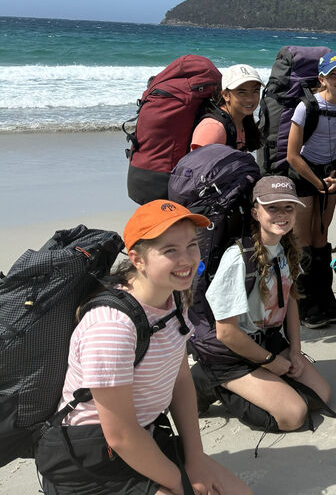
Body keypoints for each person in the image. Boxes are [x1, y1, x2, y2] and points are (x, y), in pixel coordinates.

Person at [37, 200, 251, 495]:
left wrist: (196, 460)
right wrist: (184, 485)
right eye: (170, 251)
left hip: (145, 436)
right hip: (92, 462)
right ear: (137, 259)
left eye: (191, 245)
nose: (187, 259)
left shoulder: (177, 297)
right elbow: (121, 436)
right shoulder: (112, 326)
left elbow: (179, 379)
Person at [192, 176, 334, 431]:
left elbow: (290, 300)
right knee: (293, 416)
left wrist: (295, 351)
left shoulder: (286, 248)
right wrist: (270, 362)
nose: (282, 215)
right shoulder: (238, 258)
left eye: (288, 207)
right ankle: (209, 380)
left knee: (319, 396)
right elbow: (226, 333)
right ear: (255, 212)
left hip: (266, 340)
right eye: (272, 207)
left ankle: (260, 382)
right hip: (231, 353)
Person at [285, 52, 336, 329]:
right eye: (335, 74)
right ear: (322, 79)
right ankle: (305, 305)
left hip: (330, 175)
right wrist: (317, 183)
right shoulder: (307, 107)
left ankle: (325, 300)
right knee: (301, 240)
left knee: (321, 237)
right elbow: (292, 155)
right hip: (305, 175)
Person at [191, 63, 263, 152]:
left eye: (255, 91)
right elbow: (198, 165)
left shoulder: (242, 121)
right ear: (225, 95)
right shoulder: (214, 129)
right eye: (241, 92)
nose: (249, 99)